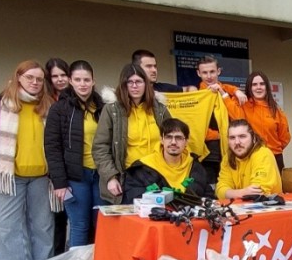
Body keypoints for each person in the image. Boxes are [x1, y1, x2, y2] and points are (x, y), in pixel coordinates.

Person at [0, 60, 56, 260]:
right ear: (18, 78)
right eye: (29, 77)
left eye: (39, 79)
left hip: (42, 178)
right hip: (10, 177)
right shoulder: (0, 104)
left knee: (42, 230)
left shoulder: (49, 106)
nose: (35, 82)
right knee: (7, 228)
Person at [44, 60, 105, 247]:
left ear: (93, 81)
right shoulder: (59, 109)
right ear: (70, 81)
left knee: (102, 225)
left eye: (86, 80)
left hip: (101, 175)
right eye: (77, 80)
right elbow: (52, 147)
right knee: (79, 226)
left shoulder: (103, 108)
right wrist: (59, 182)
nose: (82, 84)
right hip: (76, 177)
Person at [92, 64, 171, 204]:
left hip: (159, 175)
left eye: (139, 81)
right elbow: (100, 147)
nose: (135, 86)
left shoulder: (160, 109)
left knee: (159, 216)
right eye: (130, 82)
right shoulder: (112, 110)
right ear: (124, 85)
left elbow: (172, 139)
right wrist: (111, 177)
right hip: (128, 177)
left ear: (146, 84)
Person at [123, 118, 209, 203]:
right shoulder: (142, 169)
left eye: (178, 138)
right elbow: (135, 200)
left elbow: (208, 198)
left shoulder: (196, 167)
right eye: (169, 137)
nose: (173, 142)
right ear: (161, 140)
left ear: (186, 141)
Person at [195, 55, 246, 184]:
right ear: (198, 73)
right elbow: (194, 128)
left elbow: (239, 119)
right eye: (205, 72)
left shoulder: (229, 93)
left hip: (231, 152)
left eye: (212, 71)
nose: (209, 76)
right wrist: (220, 135)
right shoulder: (195, 96)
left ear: (218, 71)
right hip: (206, 156)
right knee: (210, 190)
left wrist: (224, 94)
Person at [216, 119, 282, 199]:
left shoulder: (263, 154)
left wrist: (231, 193)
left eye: (242, 136)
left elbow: (257, 193)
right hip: (239, 205)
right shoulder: (228, 158)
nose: (237, 142)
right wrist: (242, 192)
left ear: (253, 138)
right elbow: (220, 191)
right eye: (232, 138)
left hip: (267, 205)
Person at [45, 57, 71, 254]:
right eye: (55, 76)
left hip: (74, 166)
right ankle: (57, 258)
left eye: (63, 75)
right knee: (57, 218)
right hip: (52, 168)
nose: (60, 79)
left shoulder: (78, 99)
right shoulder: (44, 102)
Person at [242, 70, 291, 173]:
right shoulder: (243, 107)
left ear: (267, 87)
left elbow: (285, 138)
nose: (258, 87)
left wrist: (272, 149)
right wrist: (235, 91)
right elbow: (227, 100)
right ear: (249, 87)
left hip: (274, 158)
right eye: (254, 84)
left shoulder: (276, 111)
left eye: (262, 84)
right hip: (250, 156)